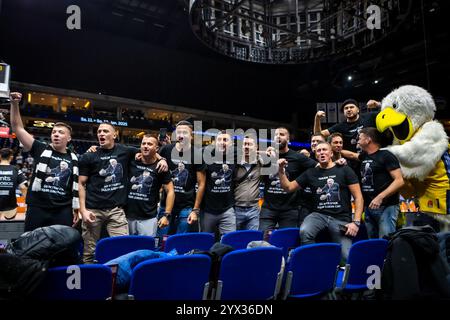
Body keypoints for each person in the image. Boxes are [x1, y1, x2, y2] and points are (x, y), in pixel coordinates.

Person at [78, 122, 167, 263]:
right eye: (99, 131)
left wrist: (163, 159)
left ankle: (116, 280)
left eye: (105, 131)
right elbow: (81, 184)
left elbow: (149, 152)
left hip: (116, 210)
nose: (101, 133)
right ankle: (89, 280)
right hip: (93, 209)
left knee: (121, 249)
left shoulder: (125, 151)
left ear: (114, 135)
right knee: (89, 252)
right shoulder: (89, 156)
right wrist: (82, 210)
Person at [278, 142, 363, 260]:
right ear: (316, 156)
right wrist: (281, 170)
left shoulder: (345, 170)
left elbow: (358, 197)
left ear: (331, 153)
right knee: (305, 231)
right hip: (318, 215)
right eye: (319, 151)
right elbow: (288, 188)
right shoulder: (310, 173)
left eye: (324, 150)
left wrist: (356, 222)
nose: (322, 152)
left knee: (347, 256)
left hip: (341, 217)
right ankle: (313, 262)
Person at [9, 92, 80, 231]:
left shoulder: (75, 158)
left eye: (60, 132)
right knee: (32, 245)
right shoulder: (40, 148)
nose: (56, 134)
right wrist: (14, 103)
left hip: (62, 210)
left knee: (60, 247)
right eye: (54, 132)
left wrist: (76, 209)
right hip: (37, 208)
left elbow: (76, 186)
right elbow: (17, 128)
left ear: (69, 138)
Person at [346, 127, 404, 238]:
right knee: (372, 242)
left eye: (360, 137)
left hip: (386, 207)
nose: (358, 139)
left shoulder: (386, 155)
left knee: (385, 241)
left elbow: (399, 180)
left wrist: (380, 197)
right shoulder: (365, 156)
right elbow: (352, 155)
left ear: (368, 140)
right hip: (369, 207)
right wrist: (335, 150)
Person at [259, 127, 317, 233]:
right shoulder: (266, 156)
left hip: (290, 209)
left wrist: (337, 163)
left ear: (288, 140)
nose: (278, 136)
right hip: (268, 209)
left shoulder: (298, 157)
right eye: (275, 135)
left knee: (287, 241)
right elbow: (246, 152)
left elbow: (318, 166)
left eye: (282, 134)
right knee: (262, 239)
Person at [157, 120, 206, 235]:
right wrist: (161, 159)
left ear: (191, 135)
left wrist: (195, 210)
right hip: (165, 205)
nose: (181, 135)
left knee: (180, 242)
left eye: (185, 132)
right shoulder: (166, 149)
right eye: (178, 132)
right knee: (161, 241)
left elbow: (201, 183)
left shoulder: (197, 154)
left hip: (186, 206)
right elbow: (154, 156)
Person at [126, 135, 175, 237]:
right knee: (127, 249)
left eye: (149, 144)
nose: (145, 146)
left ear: (156, 148)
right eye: (143, 143)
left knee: (146, 251)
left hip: (148, 218)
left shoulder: (161, 167)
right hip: (127, 216)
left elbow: (170, 191)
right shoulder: (132, 160)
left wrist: (166, 215)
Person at [201, 131, 237, 237]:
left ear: (232, 144)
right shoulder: (205, 155)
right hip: (208, 209)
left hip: (227, 209)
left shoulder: (236, 156)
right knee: (205, 242)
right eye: (219, 140)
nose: (222, 142)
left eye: (225, 140)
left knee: (230, 242)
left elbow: (254, 151)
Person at [234, 135, 263, 230]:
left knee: (252, 239)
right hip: (236, 208)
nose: (246, 146)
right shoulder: (234, 163)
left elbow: (273, 153)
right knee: (235, 240)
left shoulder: (260, 162)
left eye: (249, 144)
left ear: (256, 147)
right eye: (244, 144)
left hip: (254, 209)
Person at [0, 148, 28, 220]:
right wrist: (28, 203)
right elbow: (23, 187)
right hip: (10, 205)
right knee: (10, 222)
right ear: (11, 157)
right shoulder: (16, 169)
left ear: (0, 156)